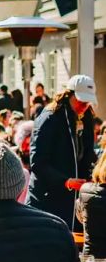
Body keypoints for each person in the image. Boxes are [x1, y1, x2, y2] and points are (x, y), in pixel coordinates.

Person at [29, 74, 97, 230]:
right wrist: (65, 181)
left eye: (87, 102)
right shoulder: (49, 118)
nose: (84, 105)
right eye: (80, 100)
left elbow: (87, 154)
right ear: (69, 95)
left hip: (74, 197)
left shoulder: (86, 116)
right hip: (47, 198)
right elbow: (38, 163)